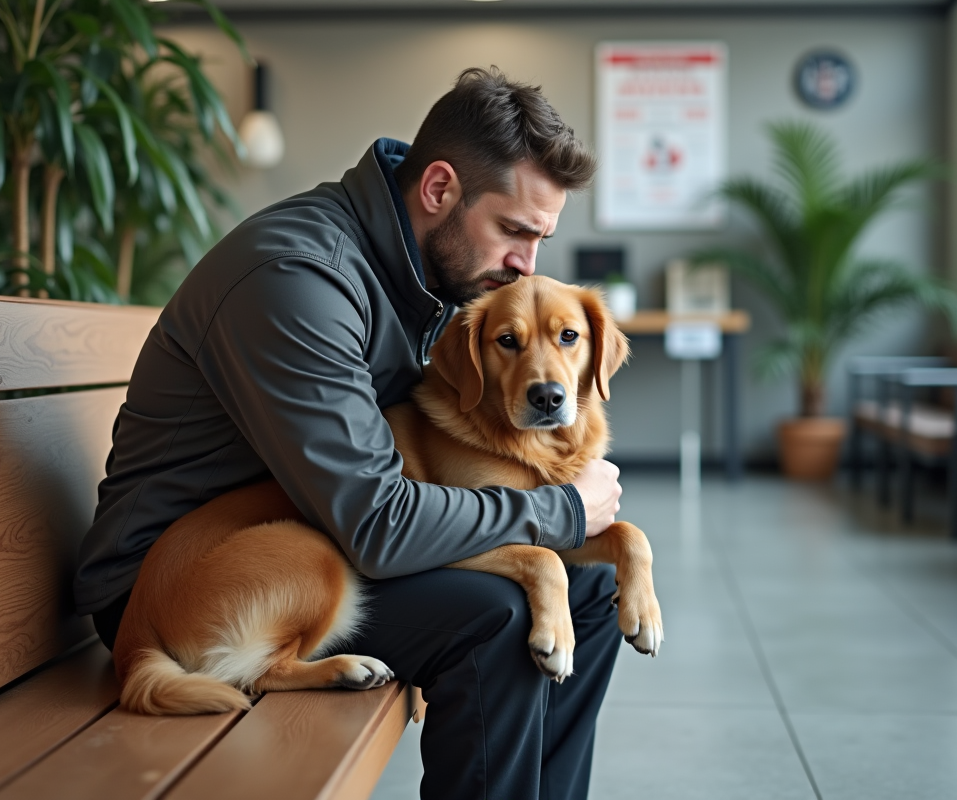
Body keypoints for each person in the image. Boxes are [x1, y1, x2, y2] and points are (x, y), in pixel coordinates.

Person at [74, 66, 625, 799]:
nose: (527, 264)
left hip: (305, 534)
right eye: (514, 231)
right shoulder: (300, 278)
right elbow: (377, 523)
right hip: (192, 584)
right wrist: (559, 510)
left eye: (540, 237)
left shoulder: (420, 273)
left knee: (591, 583)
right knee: (497, 618)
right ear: (438, 191)